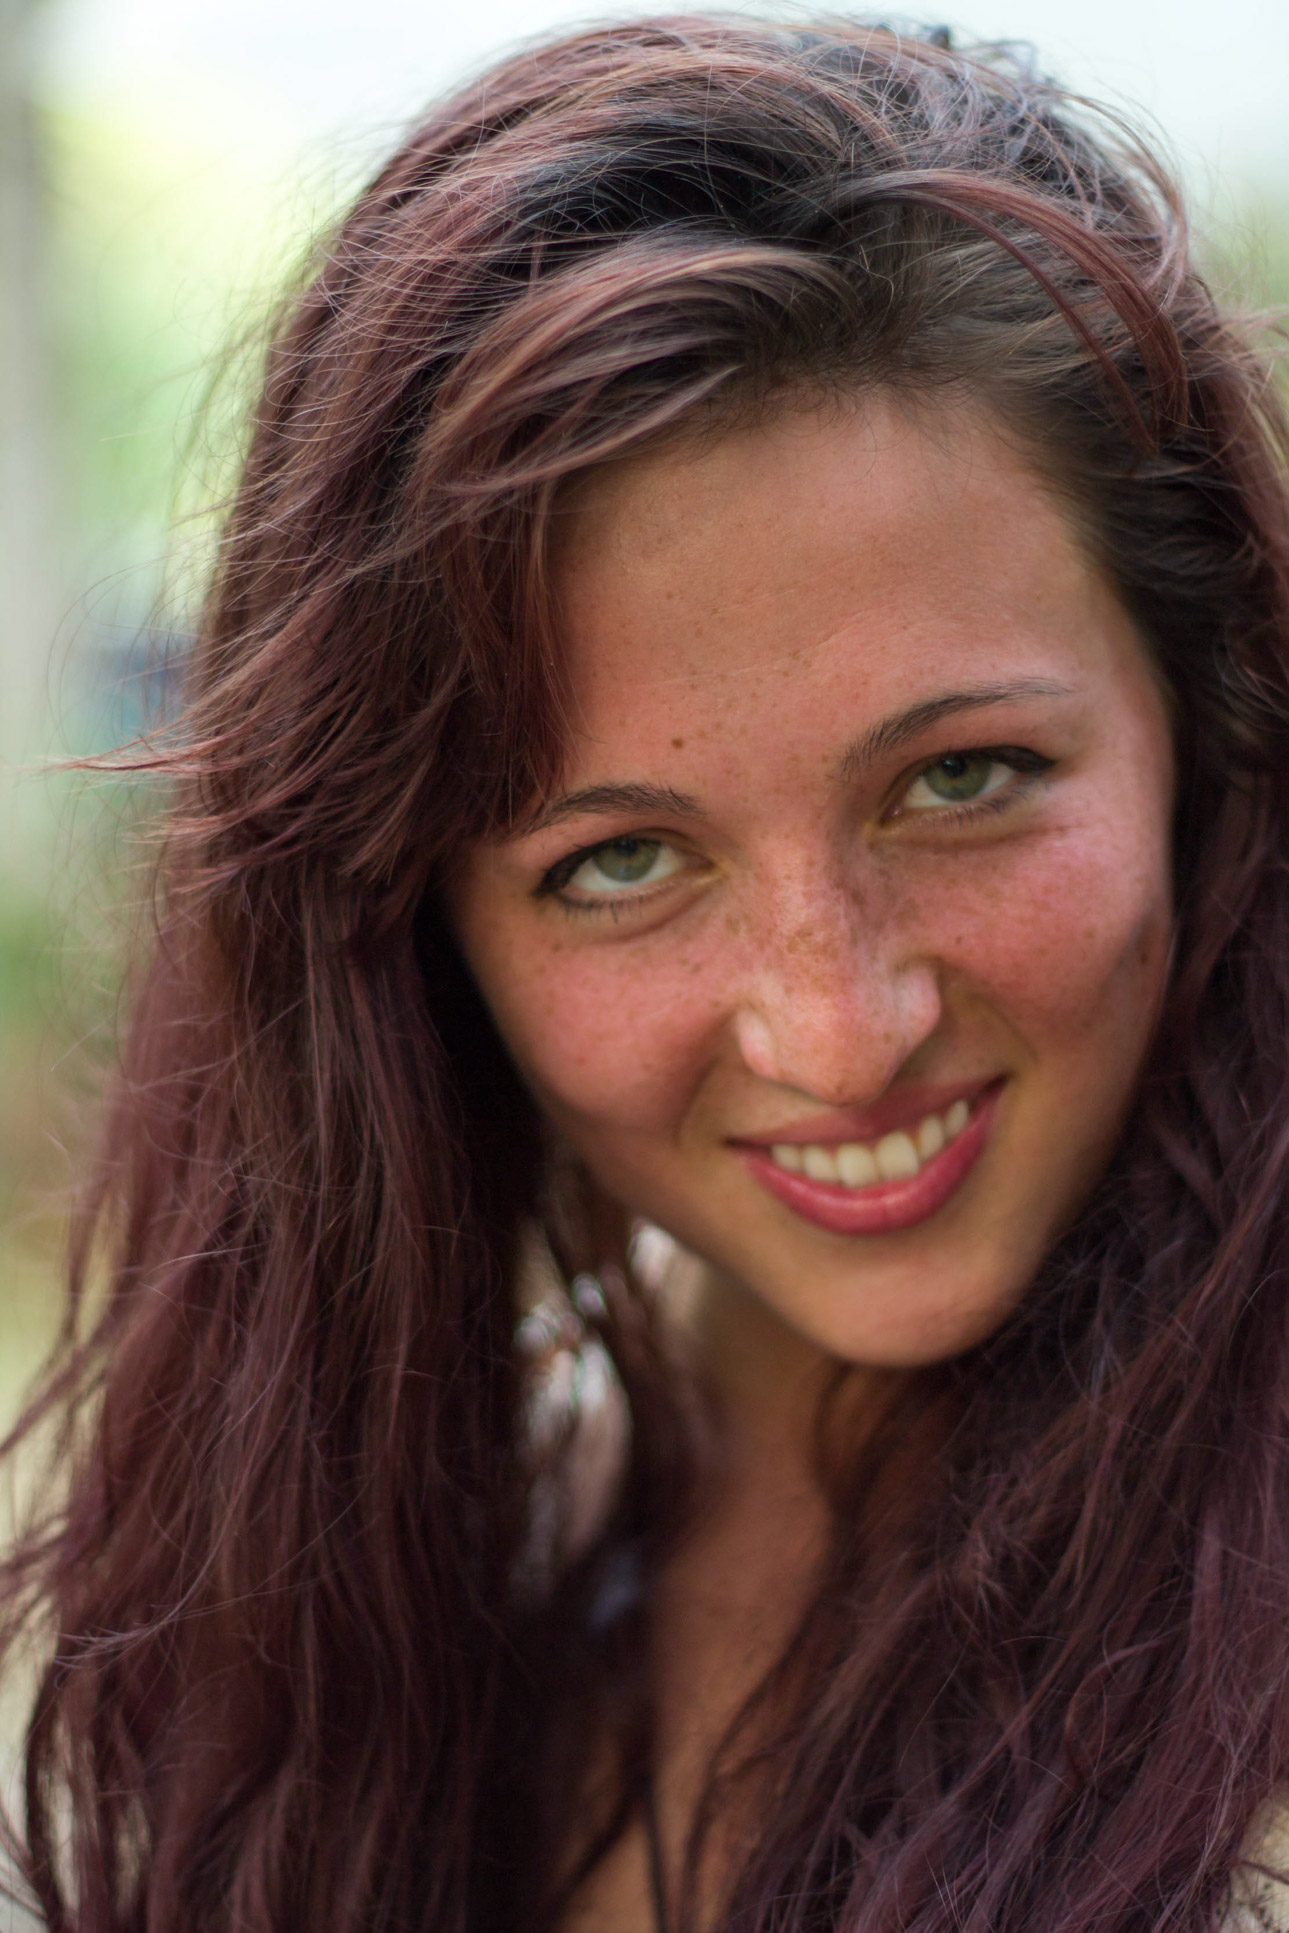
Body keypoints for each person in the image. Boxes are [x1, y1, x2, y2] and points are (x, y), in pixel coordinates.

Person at [5, 14, 1289, 1931]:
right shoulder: (384, 1581)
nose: (837, 1026)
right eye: (619, 862)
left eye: (961, 778)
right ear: (408, 924)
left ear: (1202, 728)